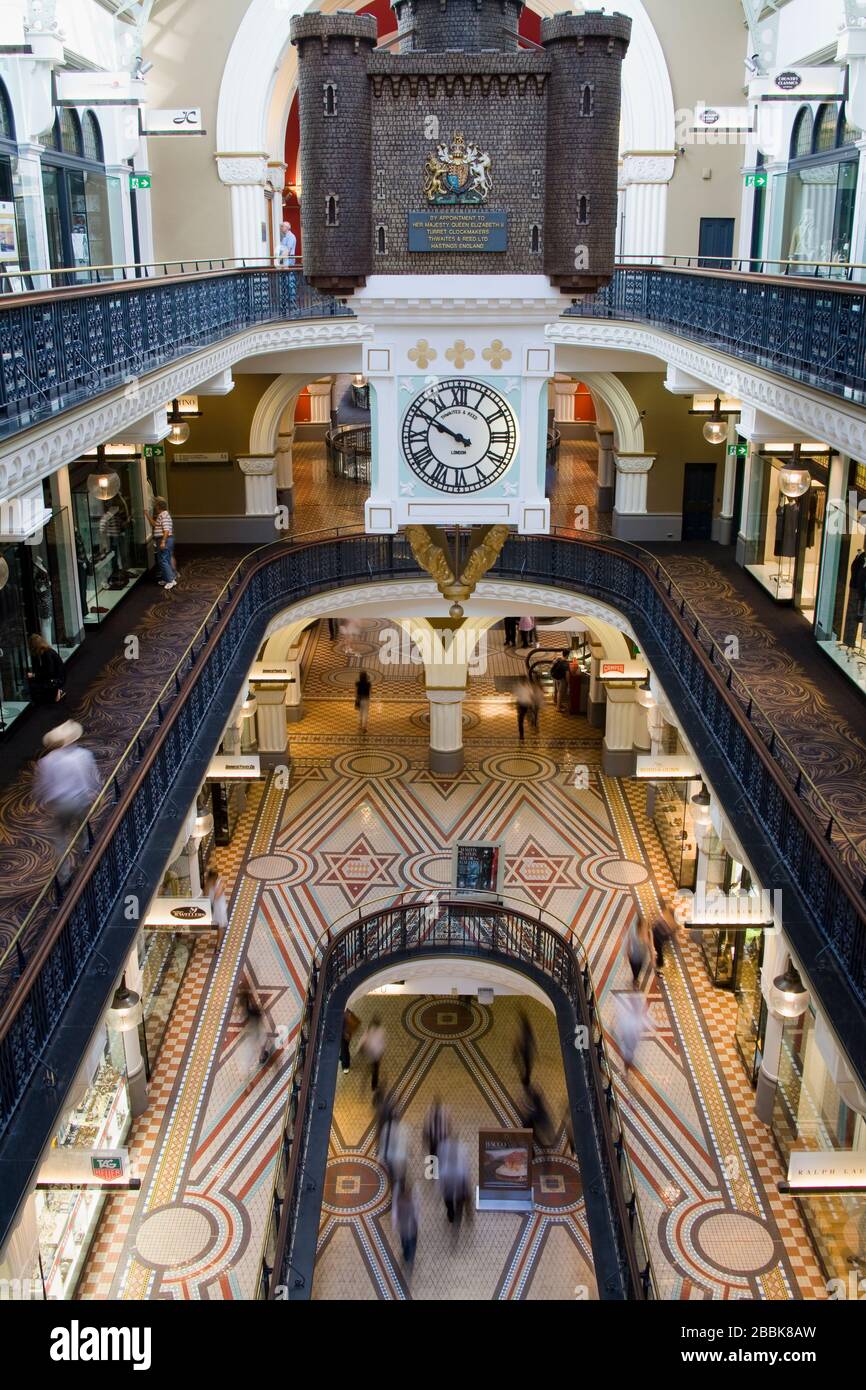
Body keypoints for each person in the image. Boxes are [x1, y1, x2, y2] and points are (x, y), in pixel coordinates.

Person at [34, 721, 101, 885]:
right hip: (81, 800)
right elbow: (92, 778)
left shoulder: (47, 761)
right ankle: (86, 862)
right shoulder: (83, 755)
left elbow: (43, 785)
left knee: (60, 839)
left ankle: (63, 875)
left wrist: (42, 800)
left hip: (62, 803)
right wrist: (94, 792)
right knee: (83, 832)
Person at [439, 1134, 470, 1227]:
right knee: (455, 1199)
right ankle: (455, 1215)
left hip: (451, 1176)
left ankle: (452, 1214)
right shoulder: (462, 1147)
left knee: (450, 1198)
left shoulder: (444, 1147)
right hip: (456, 1176)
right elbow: (466, 1163)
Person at [616, 991, 650, 1077]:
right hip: (630, 1044)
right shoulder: (634, 1020)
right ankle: (626, 1070)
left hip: (630, 1044)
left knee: (628, 1056)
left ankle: (626, 1070)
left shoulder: (634, 1020)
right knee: (628, 1056)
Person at [26, 634, 66, 705]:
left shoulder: (47, 654)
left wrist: (34, 675)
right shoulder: (45, 652)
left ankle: (57, 690)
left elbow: (49, 672)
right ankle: (56, 691)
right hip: (57, 677)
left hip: (57, 679)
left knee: (35, 685)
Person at [149, 497, 176, 590]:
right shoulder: (163, 515)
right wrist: (146, 515)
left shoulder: (163, 515)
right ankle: (167, 578)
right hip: (164, 539)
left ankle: (170, 580)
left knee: (164, 560)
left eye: (155, 505)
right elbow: (155, 525)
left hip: (164, 539)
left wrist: (163, 541)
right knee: (165, 559)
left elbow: (166, 530)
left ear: (158, 506)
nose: (154, 507)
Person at [392, 1182, 419, 1274]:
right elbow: (416, 1214)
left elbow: (395, 1215)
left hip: (406, 1228)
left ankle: (407, 1257)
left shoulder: (400, 1203)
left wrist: (395, 1225)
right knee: (410, 1244)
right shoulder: (410, 1204)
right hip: (409, 1228)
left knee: (407, 1243)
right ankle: (409, 1259)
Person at [358, 1014, 386, 1091]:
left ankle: (374, 1084)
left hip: (372, 1053)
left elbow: (363, 1040)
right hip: (374, 1054)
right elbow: (382, 1043)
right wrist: (381, 1053)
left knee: (375, 1068)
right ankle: (374, 1085)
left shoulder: (370, 1030)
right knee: (376, 1070)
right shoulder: (380, 1031)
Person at [513, 1010, 537, 1087]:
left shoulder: (526, 1031)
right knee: (527, 1067)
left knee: (527, 1066)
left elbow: (526, 1042)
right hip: (527, 1052)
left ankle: (526, 1080)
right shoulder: (527, 1031)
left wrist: (517, 1049)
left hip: (526, 1051)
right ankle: (526, 1080)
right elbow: (531, 1041)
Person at [626, 918, 651, 989]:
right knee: (635, 970)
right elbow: (629, 942)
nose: (645, 928)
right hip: (634, 956)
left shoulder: (646, 934)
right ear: (639, 927)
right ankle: (635, 981)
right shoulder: (633, 933)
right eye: (644, 926)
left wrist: (652, 956)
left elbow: (650, 945)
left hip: (642, 957)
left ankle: (635, 980)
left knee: (639, 969)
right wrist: (627, 953)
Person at [204, 867, 228, 938]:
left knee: (221, 924)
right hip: (212, 905)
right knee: (216, 923)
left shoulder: (221, 883)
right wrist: (208, 885)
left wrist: (212, 886)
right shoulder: (208, 884)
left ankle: (219, 943)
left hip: (219, 906)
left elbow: (217, 896)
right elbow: (205, 895)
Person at [514, 677, 536, 742]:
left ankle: (521, 735)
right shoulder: (528, 688)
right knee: (524, 719)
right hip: (526, 705)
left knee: (520, 721)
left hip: (522, 705)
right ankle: (531, 728)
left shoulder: (520, 688)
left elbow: (517, 697)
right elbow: (532, 697)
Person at [340, 1008, 360, 1073]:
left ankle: (345, 1066)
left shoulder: (343, 1017)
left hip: (344, 1036)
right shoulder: (344, 1015)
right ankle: (345, 1064)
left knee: (344, 1050)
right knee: (345, 1050)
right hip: (345, 1036)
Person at [355, 668, 372, 734]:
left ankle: (359, 725)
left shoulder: (357, 683)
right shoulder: (369, 684)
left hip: (359, 699)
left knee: (360, 713)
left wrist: (356, 699)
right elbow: (370, 692)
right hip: (366, 699)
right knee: (365, 713)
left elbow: (355, 692)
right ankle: (364, 727)